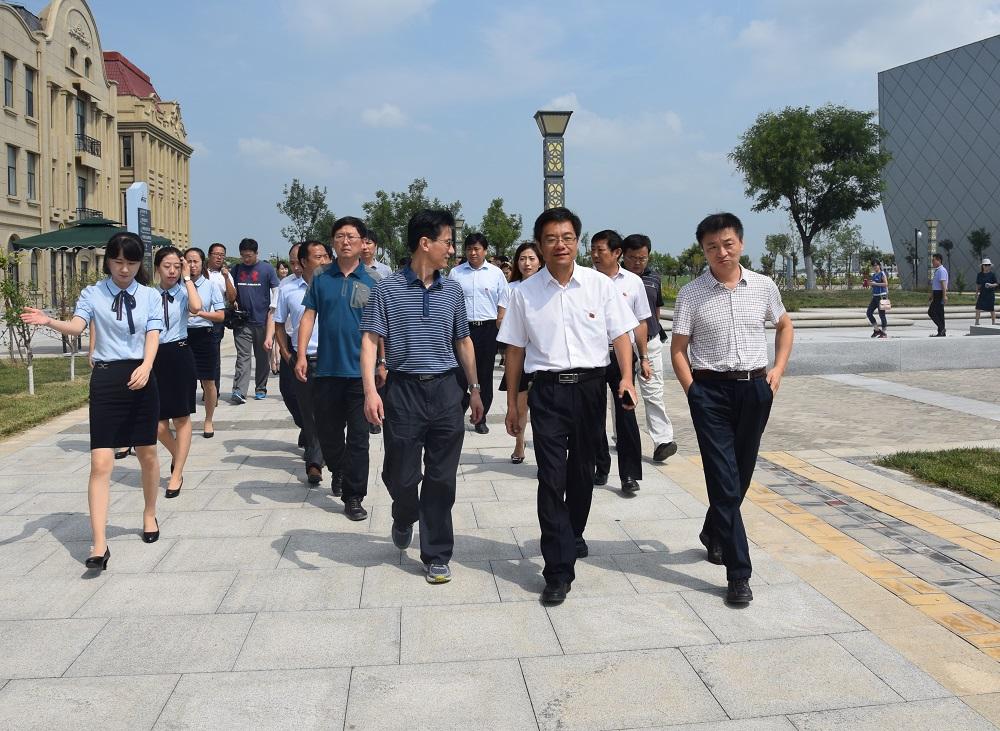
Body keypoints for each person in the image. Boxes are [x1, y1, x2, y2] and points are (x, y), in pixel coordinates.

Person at [498, 207, 638, 604]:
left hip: (591, 389)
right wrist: (513, 404)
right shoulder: (523, 293)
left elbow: (621, 335)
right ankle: (556, 570)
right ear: (540, 245)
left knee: (581, 473)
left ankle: (573, 532)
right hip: (548, 391)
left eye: (567, 237)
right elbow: (513, 351)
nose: (560, 245)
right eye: (551, 239)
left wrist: (625, 378)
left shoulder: (599, 285)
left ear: (577, 240)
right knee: (550, 477)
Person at [670, 212, 794, 605]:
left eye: (727, 244)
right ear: (703, 251)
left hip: (755, 390)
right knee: (723, 480)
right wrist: (694, 392)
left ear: (740, 243)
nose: (721, 252)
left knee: (739, 475)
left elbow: (785, 324)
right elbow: (678, 350)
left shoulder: (763, 286)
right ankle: (738, 573)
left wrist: (777, 370)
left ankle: (713, 531)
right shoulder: (691, 293)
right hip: (710, 393)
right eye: (712, 247)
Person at [20, 232, 164, 569]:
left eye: (130, 262)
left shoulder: (150, 296)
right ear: (108, 262)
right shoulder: (93, 293)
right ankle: (99, 543)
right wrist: (49, 321)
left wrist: (146, 365)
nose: (124, 269)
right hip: (107, 379)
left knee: (147, 454)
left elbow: (153, 336)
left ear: (138, 262)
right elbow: (77, 325)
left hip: (142, 376)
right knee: (100, 463)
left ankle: (149, 513)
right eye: (117, 262)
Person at [361, 209, 484, 584]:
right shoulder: (387, 289)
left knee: (442, 477)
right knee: (401, 473)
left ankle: (436, 554)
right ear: (425, 243)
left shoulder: (453, 290)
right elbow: (368, 340)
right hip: (403, 389)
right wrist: (370, 390)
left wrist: (475, 390)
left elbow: (463, 340)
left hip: (447, 389)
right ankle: (403, 512)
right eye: (448, 242)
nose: (452, 249)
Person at [297, 221, 376, 517]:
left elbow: (380, 329)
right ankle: (339, 470)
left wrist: (382, 362)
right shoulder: (321, 278)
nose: (345, 241)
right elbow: (308, 316)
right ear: (332, 242)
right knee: (328, 433)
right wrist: (302, 354)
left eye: (351, 236)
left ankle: (354, 496)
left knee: (359, 438)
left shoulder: (372, 281)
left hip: (360, 374)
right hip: (326, 369)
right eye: (340, 236)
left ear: (362, 243)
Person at [590, 230, 650, 496]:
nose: (594, 255)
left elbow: (641, 322)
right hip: (592, 357)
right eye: (592, 249)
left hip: (623, 356)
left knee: (626, 414)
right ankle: (600, 465)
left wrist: (644, 357)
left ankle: (629, 474)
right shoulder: (585, 281)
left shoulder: (634, 282)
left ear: (616, 253)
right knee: (593, 415)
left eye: (600, 250)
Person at [276, 240, 330, 487]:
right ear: (304, 262)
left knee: (330, 413)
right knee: (307, 412)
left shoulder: (335, 286)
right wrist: (287, 354)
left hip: (333, 359)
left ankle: (321, 458)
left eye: (325, 257)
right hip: (303, 358)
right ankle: (315, 460)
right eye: (317, 257)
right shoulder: (287, 289)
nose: (323, 261)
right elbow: (278, 323)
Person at [152, 246, 204, 499]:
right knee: (157, 423)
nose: (171, 271)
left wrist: (187, 277)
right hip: (154, 357)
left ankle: (177, 473)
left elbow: (196, 307)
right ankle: (178, 455)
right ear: (157, 268)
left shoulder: (185, 292)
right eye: (166, 266)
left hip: (180, 354)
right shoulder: (148, 295)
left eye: (176, 266)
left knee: (181, 417)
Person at [622, 233, 678, 462]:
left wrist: (655, 330)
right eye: (633, 257)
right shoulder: (614, 279)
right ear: (622, 256)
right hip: (622, 343)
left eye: (642, 258)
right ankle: (621, 435)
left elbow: (655, 309)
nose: (637, 262)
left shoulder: (653, 278)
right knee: (624, 393)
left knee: (653, 390)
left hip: (650, 341)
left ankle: (662, 440)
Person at [448, 233, 509, 434]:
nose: (473, 253)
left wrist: (500, 319)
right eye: (469, 249)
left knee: (484, 374)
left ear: (485, 250)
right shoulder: (456, 273)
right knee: (459, 374)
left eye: (477, 249)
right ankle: (460, 408)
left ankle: (481, 418)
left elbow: (504, 298)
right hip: (462, 329)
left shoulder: (495, 273)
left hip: (487, 328)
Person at [497, 241, 543, 464]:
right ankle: (519, 443)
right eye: (523, 258)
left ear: (540, 262)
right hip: (519, 354)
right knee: (520, 402)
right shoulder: (511, 288)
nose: (527, 263)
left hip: (543, 354)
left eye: (532, 258)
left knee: (544, 407)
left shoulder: (548, 288)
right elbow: (500, 321)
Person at [229, 238, 280, 402]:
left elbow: (276, 290)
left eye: (249, 256)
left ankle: (260, 388)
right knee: (243, 357)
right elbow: (229, 291)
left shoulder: (267, 269)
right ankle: (239, 391)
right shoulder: (236, 269)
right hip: (243, 322)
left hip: (263, 321)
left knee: (262, 357)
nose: (246, 259)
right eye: (243, 256)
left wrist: (273, 310)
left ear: (257, 253)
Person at [184, 247, 226, 438]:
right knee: (184, 381)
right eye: (188, 261)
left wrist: (199, 312)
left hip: (204, 334)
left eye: (196, 262)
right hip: (182, 336)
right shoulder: (178, 285)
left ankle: (208, 420)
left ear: (202, 264)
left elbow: (220, 315)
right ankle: (183, 420)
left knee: (208, 381)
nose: (192, 266)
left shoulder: (210, 286)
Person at [268, 244, 304, 434]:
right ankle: (305, 426)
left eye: (300, 263)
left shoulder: (323, 282)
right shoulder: (286, 284)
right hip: (290, 343)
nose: (296, 267)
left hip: (317, 346)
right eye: (292, 263)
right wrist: (282, 348)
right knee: (288, 392)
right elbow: (276, 316)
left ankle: (314, 439)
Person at [206, 243, 236, 395]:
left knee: (214, 356)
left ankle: (213, 390)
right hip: (198, 320)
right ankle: (205, 387)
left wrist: (226, 277)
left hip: (217, 320)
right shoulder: (202, 272)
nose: (219, 257)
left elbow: (232, 297)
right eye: (216, 254)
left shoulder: (225, 274)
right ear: (209, 255)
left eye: (222, 254)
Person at [866, 261, 890, 338]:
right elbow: (874, 285)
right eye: (873, 266)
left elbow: (886, 284)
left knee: (882, 315)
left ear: (879, 266)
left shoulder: (882, 273)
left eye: (876, 265)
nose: (875, 267)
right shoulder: (874, 275)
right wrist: (870, 284)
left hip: (882, 296)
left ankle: (884, 332)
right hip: (875, 296)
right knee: (869, 313)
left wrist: (875, 283)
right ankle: (876, 330)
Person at [928, 252, 948, 337]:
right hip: (936, 293)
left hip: (940, 294)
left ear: (939, 260)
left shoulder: (942, 270)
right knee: (940, 313)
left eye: (933, 260)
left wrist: (944, 296)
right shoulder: (937, 271)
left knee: (931, 312)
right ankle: (941, 332)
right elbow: (935, 284)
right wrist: (932, 295)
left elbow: (943, 284)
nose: (932, 262)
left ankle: (942, 328)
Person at [975, 258, 997, 326]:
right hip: (982, 294)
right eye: (985, 265)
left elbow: (996, 284)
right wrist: (976, 293)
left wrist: (991, 285)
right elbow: (978, 284)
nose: (987, 266)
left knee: (991, 309)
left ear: (990, 266)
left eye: (988, 265)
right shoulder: (979, 274)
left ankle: (993, 322)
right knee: (978, 308)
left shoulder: (992, 274)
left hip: (990, 294)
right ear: (982, 266)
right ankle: (977, 322)